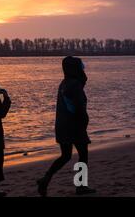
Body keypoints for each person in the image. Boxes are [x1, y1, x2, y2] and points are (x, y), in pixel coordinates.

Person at [37, 56, 96, 197]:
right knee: (83, 155)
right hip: (74, 126)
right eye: (81, 66)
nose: (83, 69)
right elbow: (79, 108)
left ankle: (46, 178)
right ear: (75, 68)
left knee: (65, 155)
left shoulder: (64, 83)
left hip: (62, 126)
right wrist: (84, 122)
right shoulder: (75, 84)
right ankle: (81, 186)